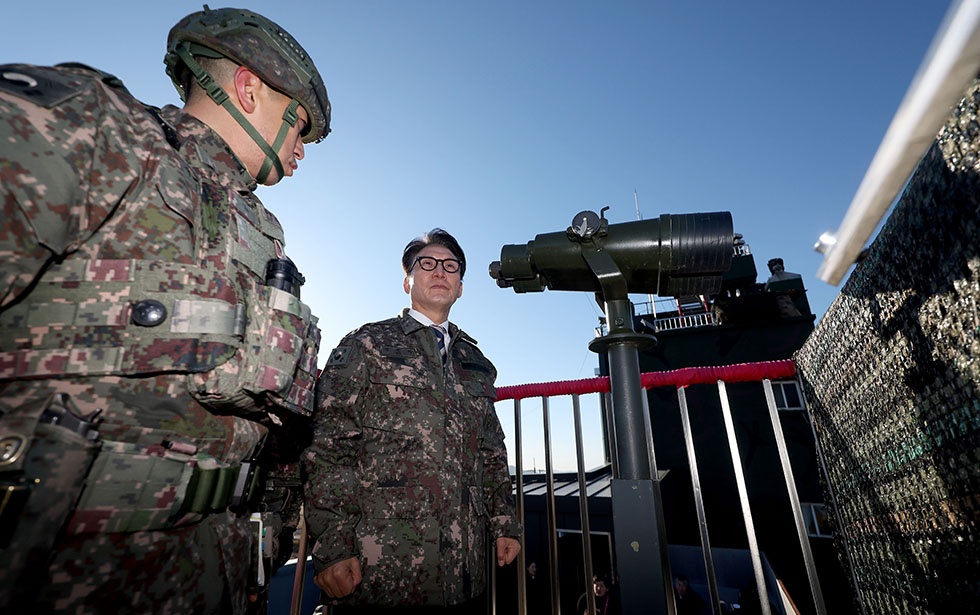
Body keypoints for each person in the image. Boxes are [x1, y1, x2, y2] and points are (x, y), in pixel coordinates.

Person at [0, 7, 331, 614]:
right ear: (248, 89)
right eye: (299, 126)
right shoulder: (101, 130)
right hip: (68, 574)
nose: (301, 150)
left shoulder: (260, 231)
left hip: (212, 572)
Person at [303, 229, 521, 612]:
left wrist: (504, 522)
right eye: (428, 263)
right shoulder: (367, 344)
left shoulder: (475, 361)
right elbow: (327, 445)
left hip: (463, 573)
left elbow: (491, 451)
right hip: (380, 570)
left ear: (460, 288)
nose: (440, 271)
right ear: (408, 281)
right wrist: (334, 545)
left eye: (451, 266)